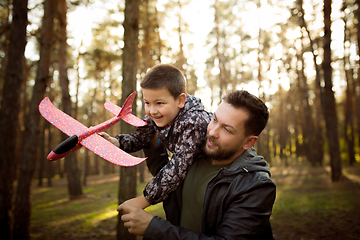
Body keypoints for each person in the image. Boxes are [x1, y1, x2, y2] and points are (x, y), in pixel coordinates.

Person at [118, 90, 276, 239]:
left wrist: (153, 228)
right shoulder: (197, 151)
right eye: (214, 120)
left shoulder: (256, 186)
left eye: (227, 130)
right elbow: (169, 176)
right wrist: (151, 141)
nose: (212, 132)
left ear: (249, 142)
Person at [100, 64, 212, 209]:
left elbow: (177, 167)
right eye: (147, 103)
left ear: (180, 100)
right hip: (191, 170)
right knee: (174, 203)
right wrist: (116, 142)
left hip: (217, 170)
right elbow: (140, 138)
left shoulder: (193, 122)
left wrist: (143, 200)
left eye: (159, 103)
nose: (152, 111)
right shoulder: (157, 116)